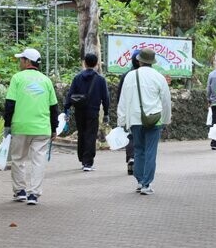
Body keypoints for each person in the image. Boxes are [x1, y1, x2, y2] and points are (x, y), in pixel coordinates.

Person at [4, 47, 58, 206]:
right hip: (42, 128)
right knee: (38, 161)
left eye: (21, 59)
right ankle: (33, 194)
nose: (20, 62)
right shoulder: (47, 81)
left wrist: (7, 126)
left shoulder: (17, 78)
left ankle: (20, 191)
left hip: (20, 126)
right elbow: (54, 107)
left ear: (27, 61)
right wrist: (54, 128)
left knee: (18, 159)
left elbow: (10, 104)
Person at [116, 48, 172, 195]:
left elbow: (123, 101)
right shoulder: (159, 77)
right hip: (154, 119)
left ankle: (140, 181)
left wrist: (121, 120)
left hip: (134, 119)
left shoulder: (129, 76)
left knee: (138, 150)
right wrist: (166, 119)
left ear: (139, 60)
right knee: (150, 151)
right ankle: (147, 184)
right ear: (152, 62)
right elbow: (166, 101)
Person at [64, 53, 110, 171]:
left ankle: (82, 158)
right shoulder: (100, 79)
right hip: (93, 111)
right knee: (90, 134)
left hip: (79, 110)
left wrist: (66, 108)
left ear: (85, 63)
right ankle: (87, 162)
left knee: (82, 133)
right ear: (96, 64)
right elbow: (105, 97)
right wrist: (106, 113)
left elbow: (70, 94)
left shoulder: (77, 77)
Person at [117, 49, 141, 174]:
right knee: (143, 138)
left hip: (129, 111)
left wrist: (120, 113)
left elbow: (120, 96)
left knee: (130, 136)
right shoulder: (149, 75)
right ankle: (141, 164)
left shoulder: (126, 75)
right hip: (144, 112)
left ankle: (131, 157)